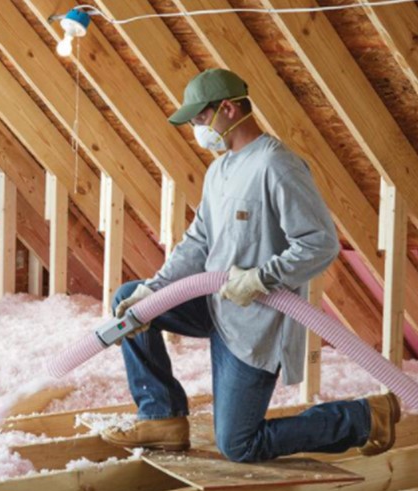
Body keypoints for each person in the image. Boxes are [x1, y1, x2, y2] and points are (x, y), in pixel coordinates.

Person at [102, 68, 400, 462]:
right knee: (131, 301)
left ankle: (363, 418)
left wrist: (261, 278)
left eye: (201, 118)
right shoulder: (219, 170)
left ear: (228, 109)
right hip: (214, 304)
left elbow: (319, 244)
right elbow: (198, 242)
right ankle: (162, 418)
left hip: (253, 323)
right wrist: (153, 291)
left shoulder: (277, 165)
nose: (197, 129)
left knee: (239, 445)